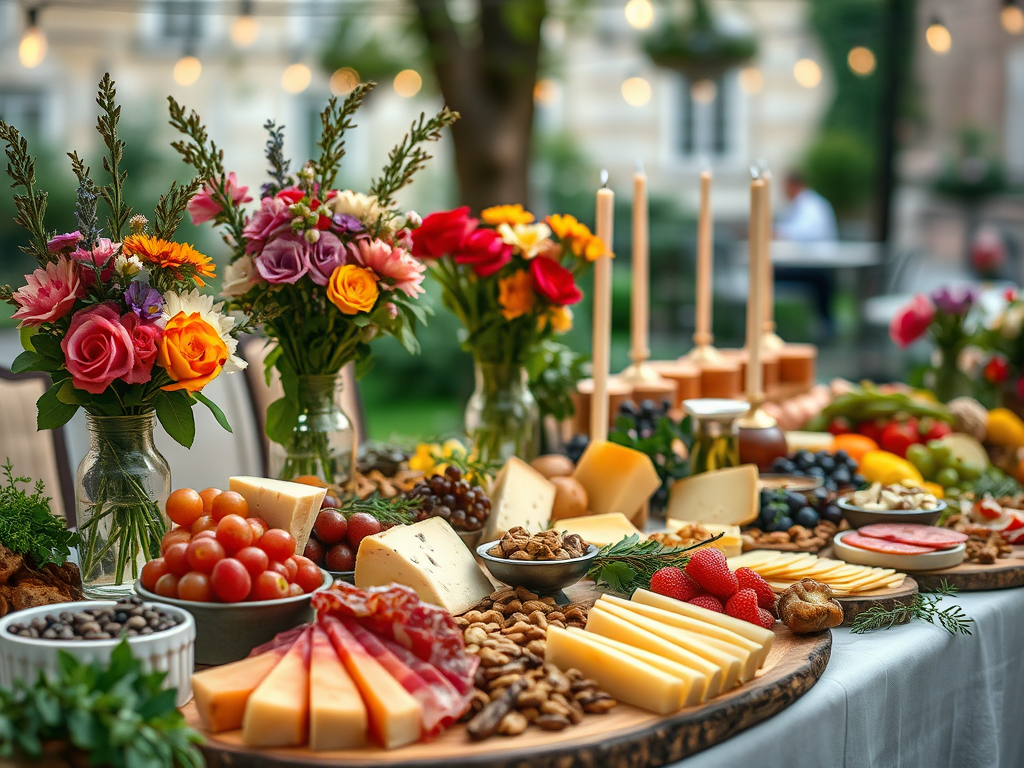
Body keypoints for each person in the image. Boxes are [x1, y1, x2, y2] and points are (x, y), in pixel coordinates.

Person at [774, 171, 839, 338]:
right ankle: (825, 323)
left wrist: (779, 233)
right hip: (809, 264)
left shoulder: (810, 205)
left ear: (793, 185)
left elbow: (806, 232)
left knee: (771, 275)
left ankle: (825, 324)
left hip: (813, 264)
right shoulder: (801, 205)